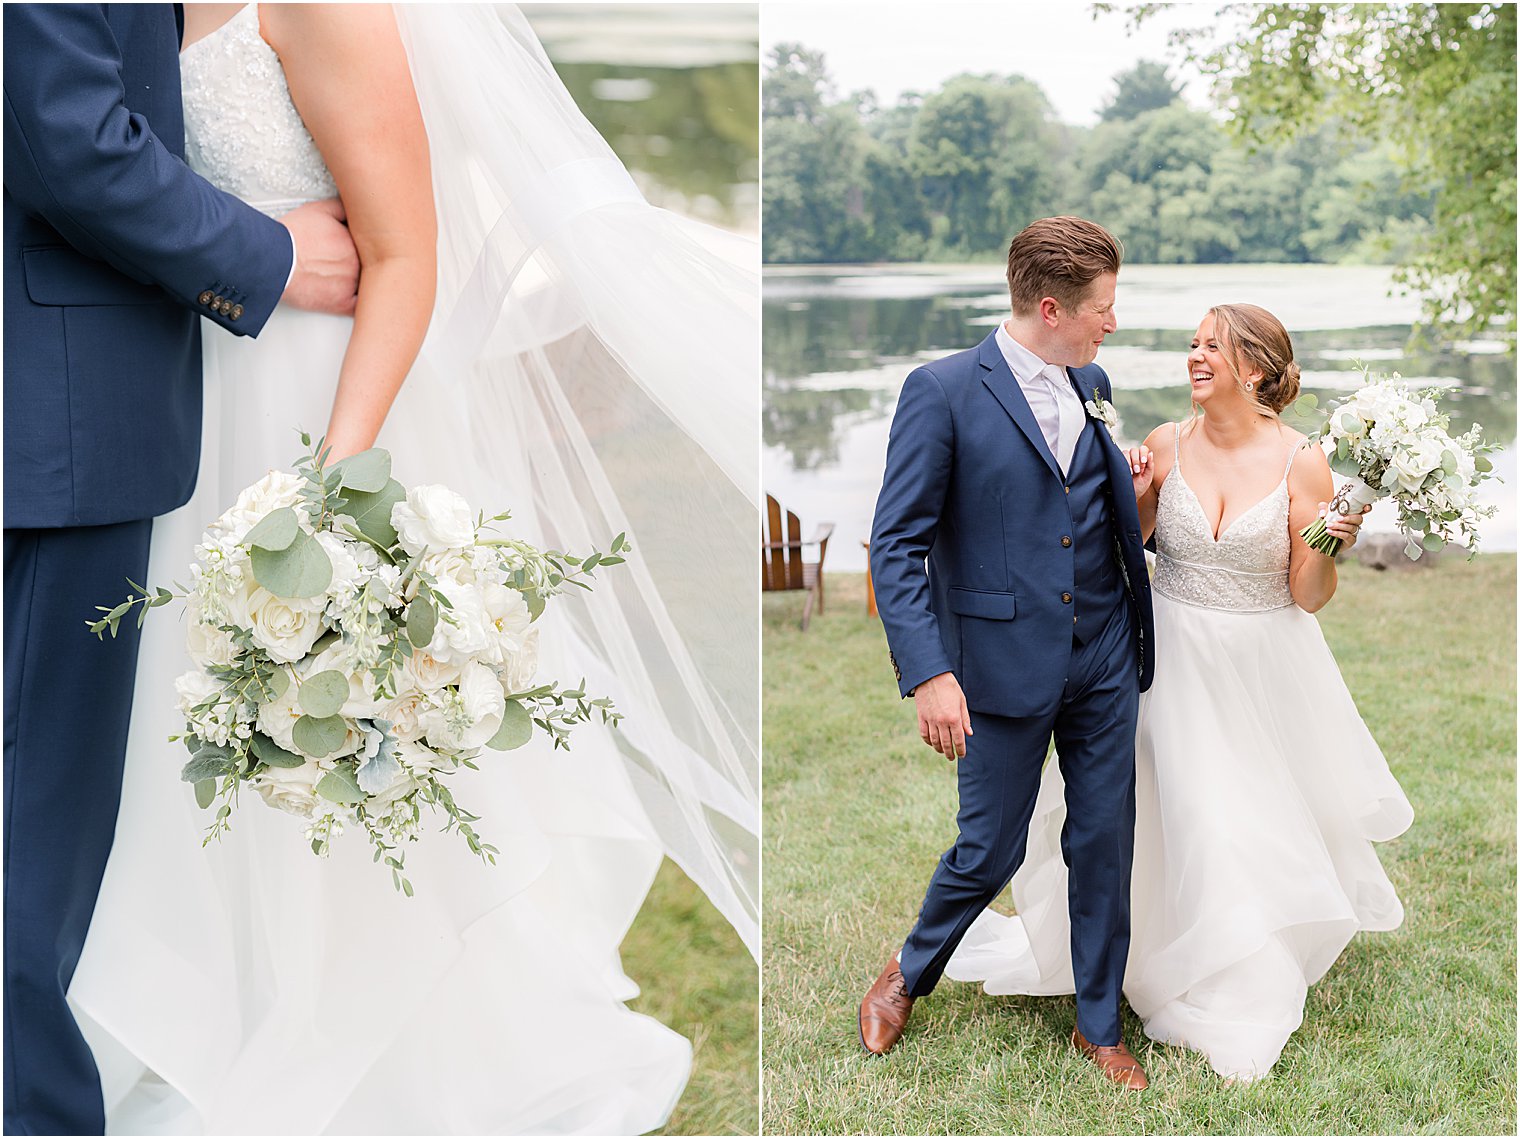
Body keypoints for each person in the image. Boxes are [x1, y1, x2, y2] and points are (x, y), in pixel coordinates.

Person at [34, 4, 758, 1134]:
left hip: (315, 406)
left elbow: (406, 254)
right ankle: (203, 1019)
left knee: (329, 723)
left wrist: (330, 490)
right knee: (185, 743)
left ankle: (368, 1044)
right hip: (186, 401)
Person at [2, 4, 363, 1131]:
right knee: (34, 822)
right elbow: (68, 135)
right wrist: (270, 253)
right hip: (53, 421)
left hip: (106, 411)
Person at [946, 303, 1413, 1083]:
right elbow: (1122, 548)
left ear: (1254, 369)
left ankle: (1234, 971)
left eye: (1212, 347)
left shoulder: (1303, 461)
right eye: (1193, 344)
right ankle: (1142, 955)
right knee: (1172, 812)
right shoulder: (1165, 443)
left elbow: (1308, 594)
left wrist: (1332, 540)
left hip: (1260, 664)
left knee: (1239, 819)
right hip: (1166, 658)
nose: (1195, 356)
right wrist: (1131, 492)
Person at [863, 216, 1156, 1089]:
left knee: (1103, 839)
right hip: (996, 661)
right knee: (989, 847)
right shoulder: (943, 390)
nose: (1113, 323)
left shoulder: (1092, 380)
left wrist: (1125, 479)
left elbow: (1076, 500)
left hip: (1103, 648)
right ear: (1051, 308)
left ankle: (1098, 1024)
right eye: (1103, 308)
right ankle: (910, 970)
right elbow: (896, 545)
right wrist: (929, 672)